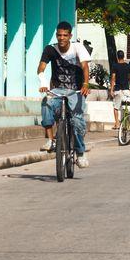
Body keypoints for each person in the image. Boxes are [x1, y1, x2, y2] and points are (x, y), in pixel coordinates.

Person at [38, 21, 91, 168]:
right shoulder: (50, 49)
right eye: (59, 35)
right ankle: (51, 140)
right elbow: (41, 68)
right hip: (57, 89)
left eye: (65, 35)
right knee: (46, 104)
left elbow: (85, 66)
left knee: (76, 121)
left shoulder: (78, 47)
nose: (62, 38)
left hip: (76, 90)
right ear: (56, 35)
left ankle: (80, 153)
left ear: (70, 36)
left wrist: (85, 84)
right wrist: (43, 83)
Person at [109, 50, 130, 130]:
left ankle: (117, 124)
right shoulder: (129, 67)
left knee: (116, 107)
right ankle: (126, 125)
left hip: (118, 89)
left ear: (117, 57)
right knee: (127, 107)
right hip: (126, 90)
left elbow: (113, 78)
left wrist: (111, 89)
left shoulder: (115, 66)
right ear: (124, 56)